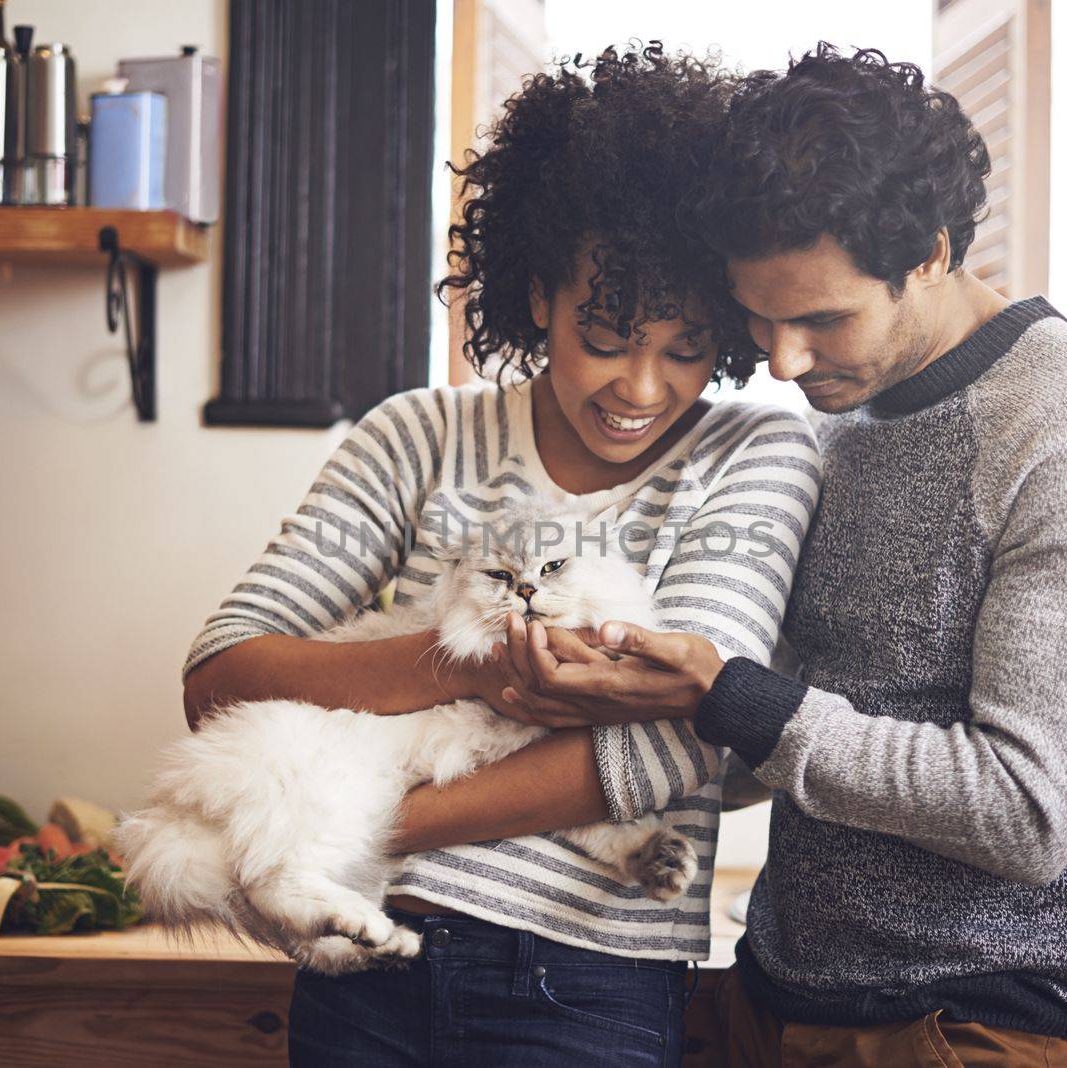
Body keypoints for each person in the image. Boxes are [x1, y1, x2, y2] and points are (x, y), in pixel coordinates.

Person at [496, 44, 1067, 1067]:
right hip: (773, 1000)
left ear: (927, 251)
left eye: (820, 319)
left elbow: (1025, 812)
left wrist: (728, 697)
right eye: (758, 318)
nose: (783, 362)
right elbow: (814, 730)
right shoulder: (834, 423)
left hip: (975, 1032)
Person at [180, 46, 820, 1067]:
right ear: (535, 296)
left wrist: (349, 830)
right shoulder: (415, 437)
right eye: (604, 335)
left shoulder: (754, 454)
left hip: (587, 979)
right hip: (365, 966)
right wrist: (468, 663)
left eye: (687, 347)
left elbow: (691, 732)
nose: (642, 388)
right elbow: (221, 677)